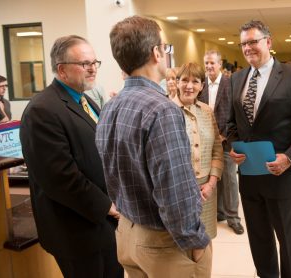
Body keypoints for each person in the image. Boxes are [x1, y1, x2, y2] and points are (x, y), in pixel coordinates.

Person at [95, 16, 211, 278]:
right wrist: (195, 242)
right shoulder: (162, 110)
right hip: (163, 242)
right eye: (165, 47)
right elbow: (175, 190)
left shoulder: (110, 108)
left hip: (127, 233)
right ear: (156, 53)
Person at [19, 35, 123, 278]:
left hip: (102, 224)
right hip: (76, 231)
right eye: (84, 63)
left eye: (95, 62)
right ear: (62, 70)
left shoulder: (85, 100)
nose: (92, 68)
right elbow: (60, 178)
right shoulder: (42, 110)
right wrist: (108, 206)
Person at [227, 20, 291, 277]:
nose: (248, 48)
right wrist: (233, 146)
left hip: (281, 176)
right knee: (259, 239)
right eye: (243, 43)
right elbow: (231, 122)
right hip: (249, 177)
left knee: (288, 240)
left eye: (253, 41)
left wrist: (290, 158)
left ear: (269, 42)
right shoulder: (236, 79)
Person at [172, 62, 223, 239]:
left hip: (206, 192)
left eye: (195, 81)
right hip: (178, 192)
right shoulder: (166, 110)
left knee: (205, 240)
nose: (189, 86)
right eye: (185, 80)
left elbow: (217, 150)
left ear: (202, 86)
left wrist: (211, 184)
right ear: (177, 82)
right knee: (181, 244)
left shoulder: (207, 112)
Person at [198, 50, 244, 235]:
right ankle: (219, 213)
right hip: (206, 142)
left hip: (226, 141)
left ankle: (233, 217)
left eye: (212, 63)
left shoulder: (230, 83)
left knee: (230, 179)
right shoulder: (201, 85)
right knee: (212, 177)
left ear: (220, 64)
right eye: (206, 63)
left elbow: (235, 112)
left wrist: (225, 135)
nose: (209, 66)